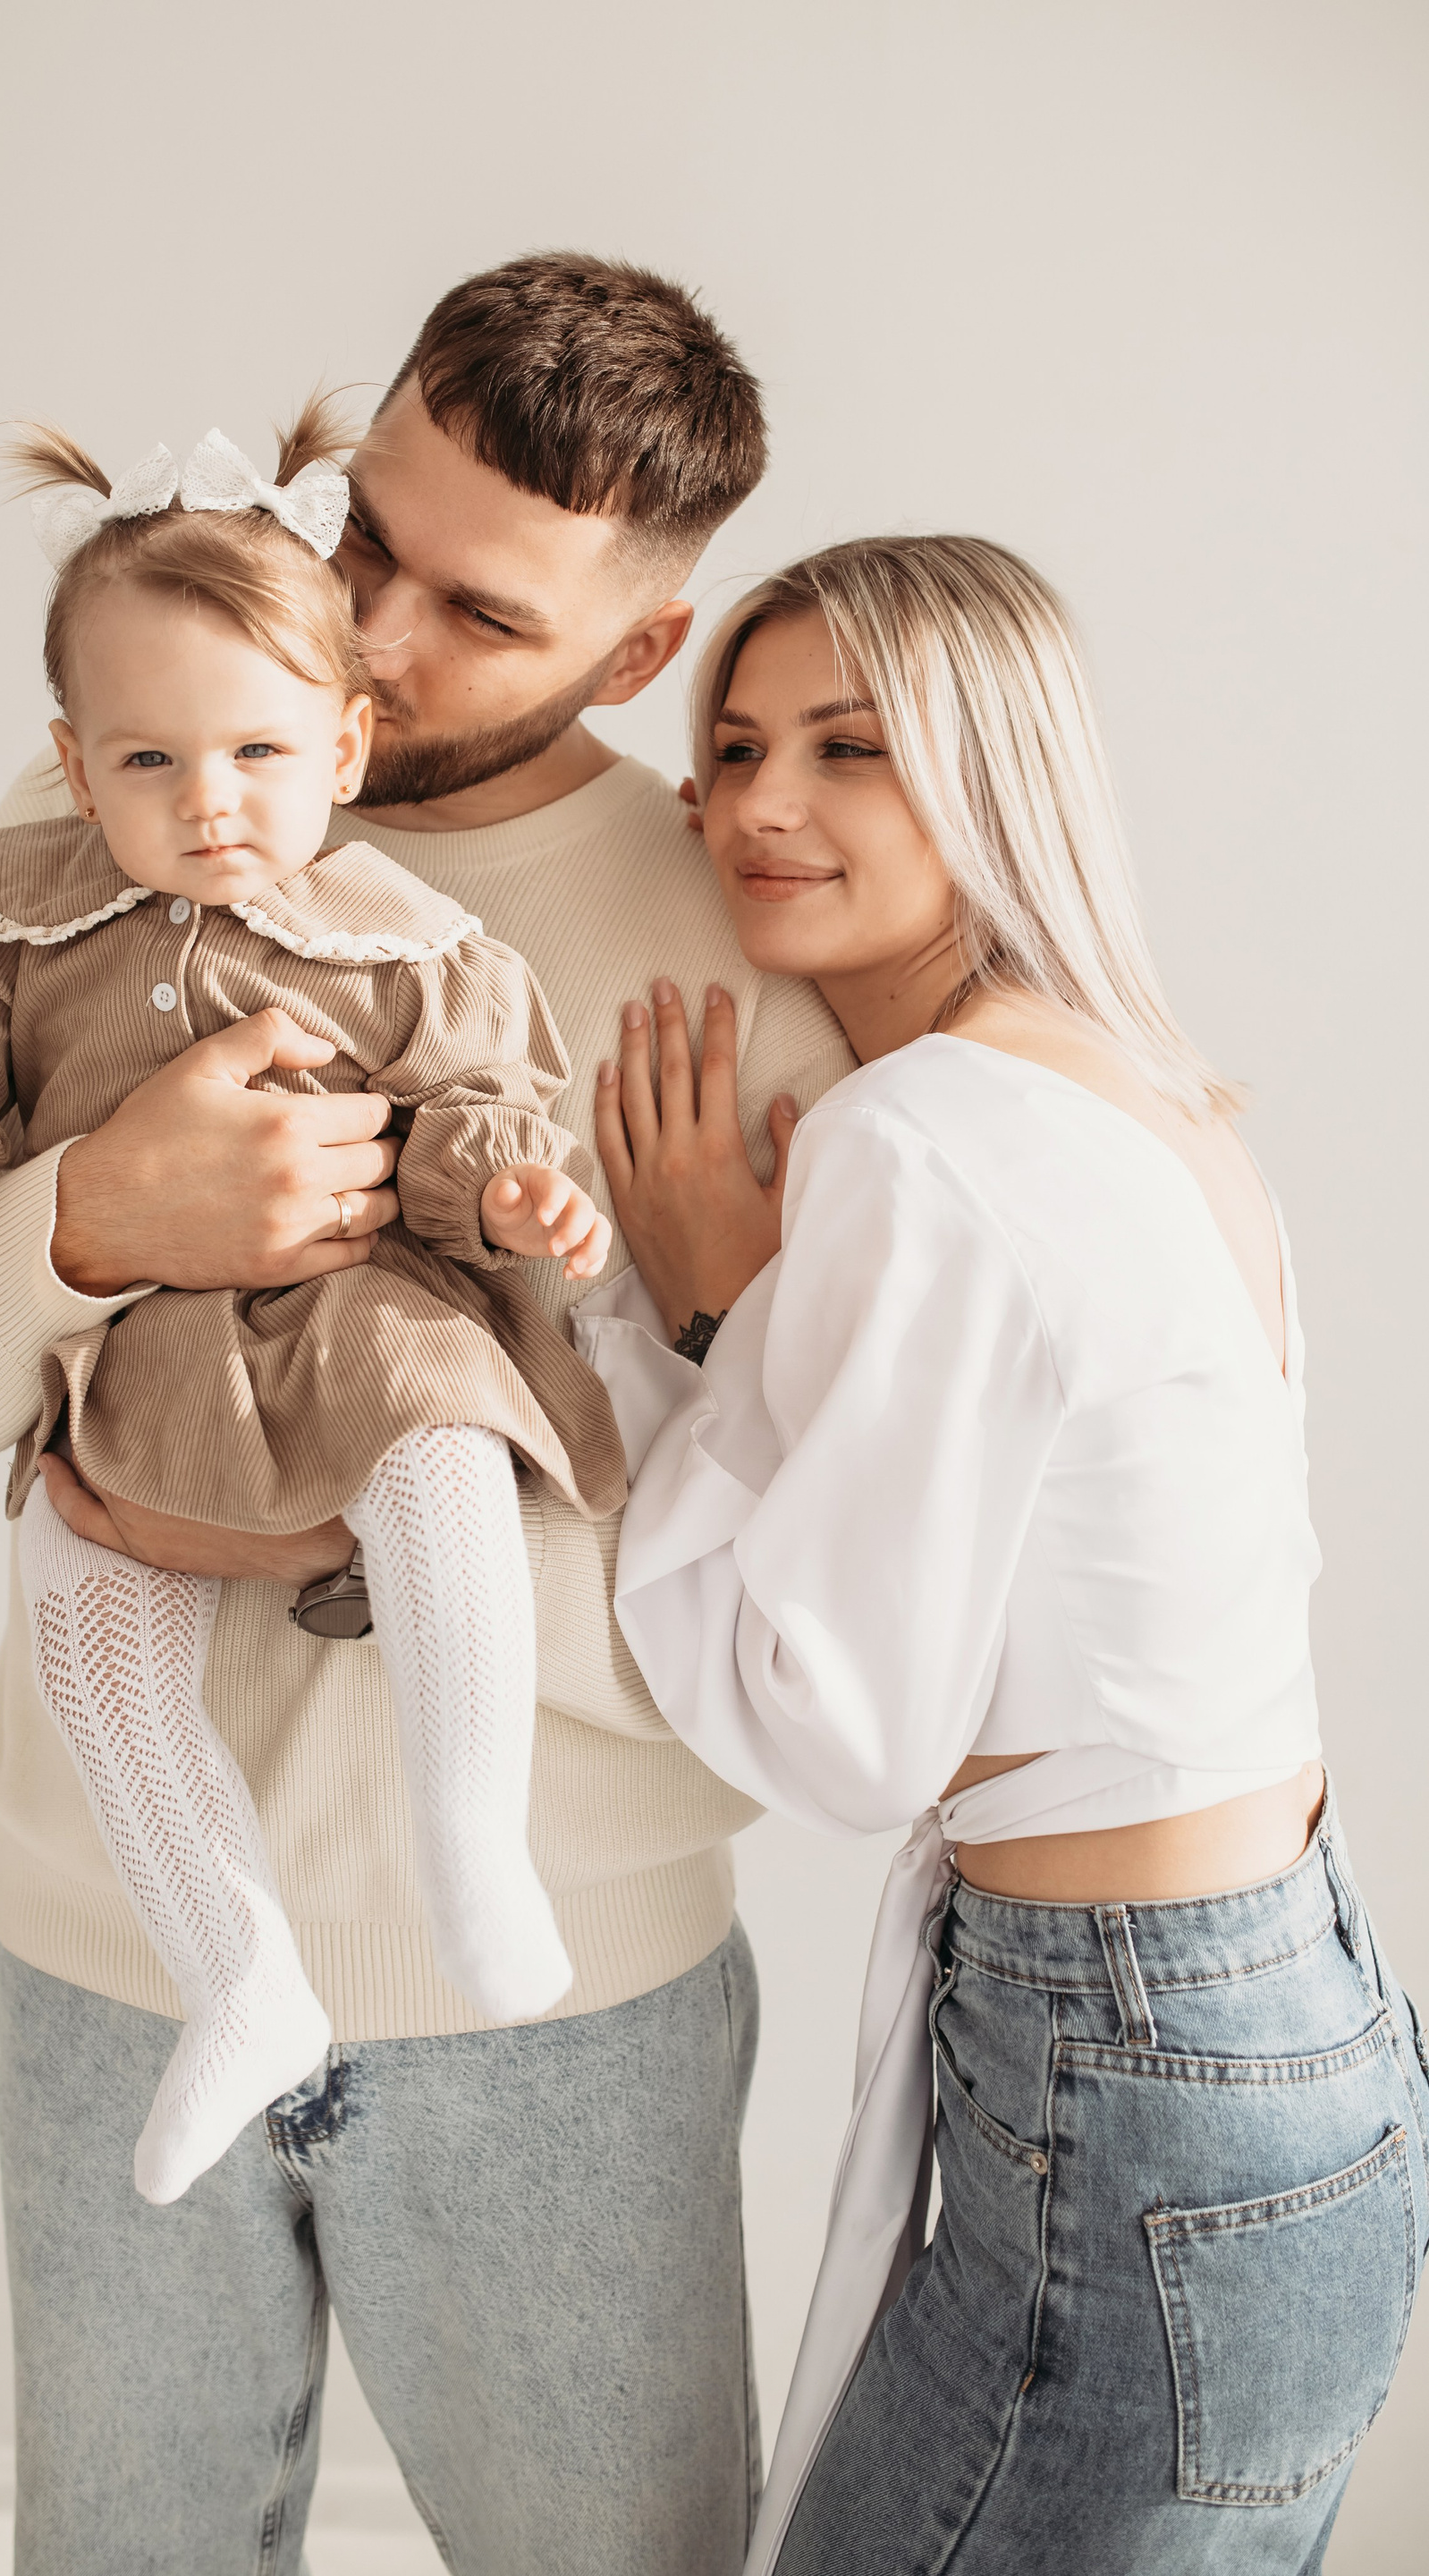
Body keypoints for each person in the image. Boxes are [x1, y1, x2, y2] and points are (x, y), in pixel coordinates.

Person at [0, 254, 855, 2575]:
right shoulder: (114, 814)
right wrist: (91, 1218)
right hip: (113, 1953)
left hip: (561, 1990)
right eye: (367, 533)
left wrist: (423, 1487)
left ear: (639, 658)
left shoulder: (725, 952)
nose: (362, 632)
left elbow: (826, 1583)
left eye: (479, 612)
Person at [580, 535, 1429, 2573]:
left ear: (997, 772)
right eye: (735, 747)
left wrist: (701, 1323)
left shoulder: (922, 1137)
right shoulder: (1143, 1085)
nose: (762, 804)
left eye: (851, 748)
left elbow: (848, 1732)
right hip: (1292, 2006)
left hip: (1137, 2057)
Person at [0, 402, 628, 2207]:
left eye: (256, 751)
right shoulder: (13, 910)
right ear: (75, 770)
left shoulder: (407, 940)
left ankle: (471, 1835)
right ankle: (238, 1974)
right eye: (149, 760)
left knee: (446, 1459)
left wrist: (516, 1193)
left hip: (357, 1322)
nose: (208, 799)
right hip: (136, 1349)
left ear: (345, 740)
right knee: (82, 1598)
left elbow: (474, 1110)